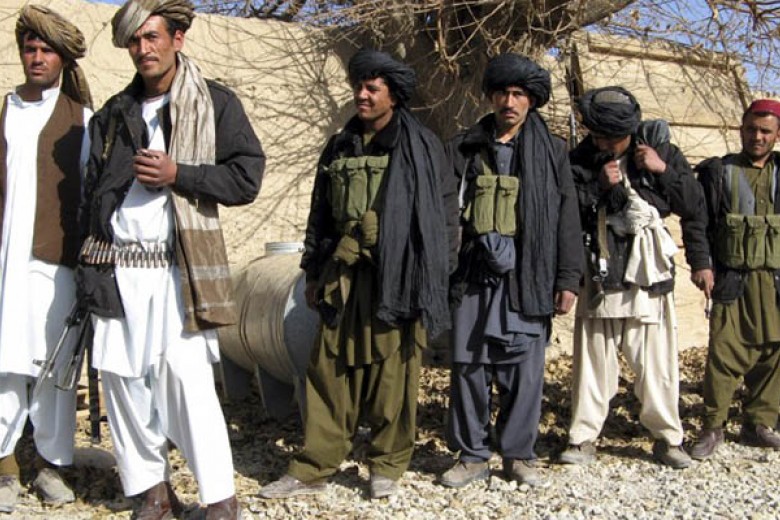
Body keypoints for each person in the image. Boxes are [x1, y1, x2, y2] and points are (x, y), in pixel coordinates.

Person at [79, 1, 264, 518]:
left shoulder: (215, 103)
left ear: (177, 39)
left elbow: (246, 178)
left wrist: (179, 174)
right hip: (116, 268)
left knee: (187, 384)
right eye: (135, 40)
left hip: (178, 270)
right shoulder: (114, 114)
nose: (144, 49)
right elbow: (91, 193)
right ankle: (153, 496)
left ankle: (220, 501)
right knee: (123, 384)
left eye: (153, 37)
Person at [259, 49, 458, 500]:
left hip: (399, 275)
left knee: (394, 375)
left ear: (394, 95)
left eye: (372, 88)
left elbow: (444, 217)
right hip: (343, 273)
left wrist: (435, 274)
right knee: (328, 368)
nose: (362, 95)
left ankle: (387, 464)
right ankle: (315, 465)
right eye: (358, 87)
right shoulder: (340, 145)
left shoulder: (422, 147)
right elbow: (320, 214)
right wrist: (314, 271)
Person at [439, 53, 582, 489]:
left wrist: (568, 279)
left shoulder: (553, 151)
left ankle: (518, 454)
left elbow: (567, 217)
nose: (509, 101)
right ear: (491, 96)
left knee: (523, 370)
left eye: (519, 94)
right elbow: (445, 212)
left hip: (528, 273)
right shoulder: (465, 147)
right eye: (502, 92)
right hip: (474, 273)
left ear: (531, 100)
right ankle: (472, 455)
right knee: (469, 365)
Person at [559, 86, 711, 469]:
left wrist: (662, 171)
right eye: (598, 135)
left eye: (610, 137)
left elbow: (694, 205)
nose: (603, 143)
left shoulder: (662, 152)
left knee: (657, 366)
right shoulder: (580, 159)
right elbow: (566, 212)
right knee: (593, 364)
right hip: (601, 270)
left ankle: (667, 439)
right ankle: (582, 438)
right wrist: (598, 187)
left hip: (649, 276)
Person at [0, 5, 93, 513]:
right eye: (29, 49)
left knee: (54, 366)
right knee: (5, 365)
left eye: (46, 51)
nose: (36, 58)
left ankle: (50, 465)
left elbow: (92, 197)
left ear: (62, 59)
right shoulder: (7, 111)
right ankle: (5, 467)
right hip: (6, 263)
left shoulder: (83, 120)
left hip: (57, 263)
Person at [690, 99, 780, 459]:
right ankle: (713, 426)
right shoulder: (718, 172)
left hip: (775, 280)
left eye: (765, 131)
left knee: (773, 352)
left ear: (777, 135)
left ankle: (759, 424)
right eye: (751, 129)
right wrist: (702, 264)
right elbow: (699, 224)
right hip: (732, 278)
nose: (757, 137)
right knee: (724, 352)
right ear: (741, 130)